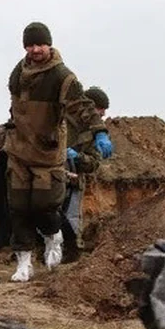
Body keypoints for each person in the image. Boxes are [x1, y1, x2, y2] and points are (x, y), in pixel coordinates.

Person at [3, 22, 112, 282]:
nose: (35, 49)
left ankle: (54, 237)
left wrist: (99, 131)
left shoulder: (62, 77)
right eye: (30, 45)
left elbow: (82, 107)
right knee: (18, 208)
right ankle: (24, 263)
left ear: (49, 44)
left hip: (47, 153)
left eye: (40, 44)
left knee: (44, 206)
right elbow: (16, 108)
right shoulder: (18, 72)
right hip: (19, 150)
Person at [62, 85, 110, 261]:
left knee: (72, 218)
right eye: (100, 109)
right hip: (52, 177)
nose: (102, 114)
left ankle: (71, 255)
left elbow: (94, 163)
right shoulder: (63, 121)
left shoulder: (96, 133)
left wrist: (78, 158)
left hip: (74, 182)